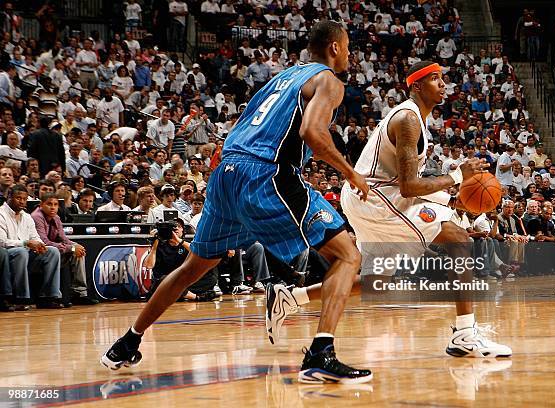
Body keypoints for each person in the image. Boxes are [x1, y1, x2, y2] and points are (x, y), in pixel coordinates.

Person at [101, 21, 372, 384]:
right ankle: (322, 352)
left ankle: (127, 340)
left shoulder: (283, 79)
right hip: (265, 173)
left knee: (192, 269)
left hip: (226, 171)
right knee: (347, 254)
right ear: (335, 48)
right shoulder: (329, 81)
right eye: (349, 47)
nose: (351, 55)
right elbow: (312, 131)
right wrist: (350, 172)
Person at [280, 62, 512, 357]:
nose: (443, 84)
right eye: (435, 79)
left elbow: (409, 184)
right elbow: (408, 188)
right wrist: (456, 177)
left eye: (443, 79)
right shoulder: (407, 119)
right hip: (376, 198)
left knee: (377, 282)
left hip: (370, 197)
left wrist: (450, 200)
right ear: (416, 85)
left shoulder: (416, 119)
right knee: (457, 238)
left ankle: (291, 297)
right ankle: (465, 334)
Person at [0, 185, 63, 309]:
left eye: (24, 199)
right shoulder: (1, 214)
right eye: (18, 198)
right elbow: (2, 242)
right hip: (8, 253)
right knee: (21, 252)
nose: (22, 201)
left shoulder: (27, 216)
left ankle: (47, 297)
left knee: (52, 252)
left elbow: (35, 237)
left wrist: (39, 245)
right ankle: (20, 298)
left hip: (26, 252)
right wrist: (26, 243)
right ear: (9, 197)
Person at [31, 193, 96, 306]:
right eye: (49, 204)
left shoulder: (56, 217)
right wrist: (70, 248)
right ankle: (51, 295)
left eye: (55, 204)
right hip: (37, 253)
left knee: (78, 251)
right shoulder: (36, 217)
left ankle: (79, 293)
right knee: (68, 250)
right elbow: (44, 242)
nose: (53, 207)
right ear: (41, 205)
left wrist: (75, 246)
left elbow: (64, 239)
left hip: (53, 251)